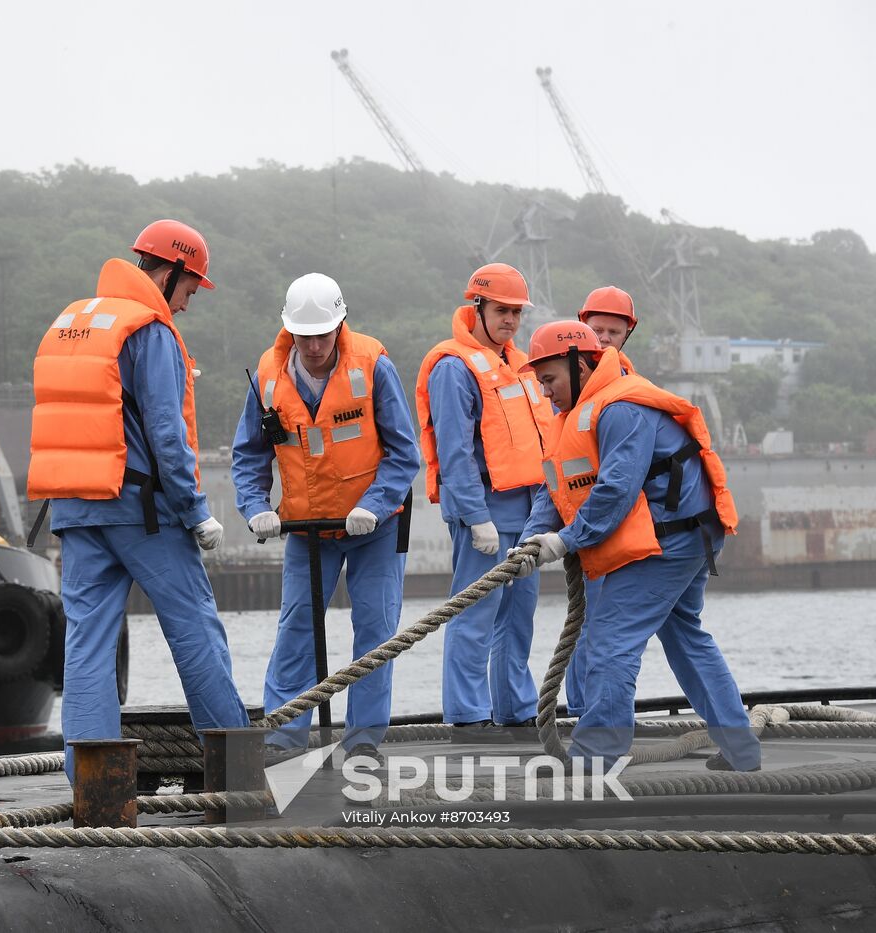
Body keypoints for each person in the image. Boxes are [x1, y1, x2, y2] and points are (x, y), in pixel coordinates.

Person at [28, 219, 249, 782]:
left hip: (75, 510)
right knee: (196, 631)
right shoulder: (150, 330)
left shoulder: (75, 323)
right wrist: (196, 510)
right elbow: (166, 434)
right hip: (142, 512)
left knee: (87, 647)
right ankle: (239, 774)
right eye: (191, 288)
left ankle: (94, 787)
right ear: (172, 271)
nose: (188, 303)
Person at [511, 321, 759, 772]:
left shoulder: (621, 408)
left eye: (549, 379)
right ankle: (741, 751)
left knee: (609, 643)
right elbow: (555, 488)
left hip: (668, 543)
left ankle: (595, 759)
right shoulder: (577, 415)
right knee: (685, 639)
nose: (545, 392)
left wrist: (564, 541)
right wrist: (532, 539)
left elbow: (615, 490)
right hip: (682, 537)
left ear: (579, 366)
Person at [232, 273, 419, 760]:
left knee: (375, 630)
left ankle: (363, 741)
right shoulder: (267, 377)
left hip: (374, 527)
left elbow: (404, 453)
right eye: (303, 336)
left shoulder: (374, 366)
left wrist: (373, 506)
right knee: (297, 626)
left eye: (322, 335)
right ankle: (283, 737)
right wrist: (256, 507)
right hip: (306, 529)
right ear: (288, 330)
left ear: (340, 325)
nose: (314, 347)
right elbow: (249, 455)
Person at [414, 263, 554, 742]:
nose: (511, 320)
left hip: (528, 513)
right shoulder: (454, 368)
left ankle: (516, 710)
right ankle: (469, 716)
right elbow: (454, 451)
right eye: (501, 310)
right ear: (476, 308)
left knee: (518, 617)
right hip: (486, 515)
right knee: (474, 614)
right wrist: (476, 517)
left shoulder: (520, 365)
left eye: (516, 312)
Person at [563, 285, 640, 716]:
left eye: (615, 331)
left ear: (628, 333)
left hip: (620, 520)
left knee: (607, 624)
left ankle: (596, 710)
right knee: (589, 621)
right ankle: (583, 710)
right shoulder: (564, 379)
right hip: (585, 519)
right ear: (582, 327)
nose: (606, 339)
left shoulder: (628, 381)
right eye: (598, 330)